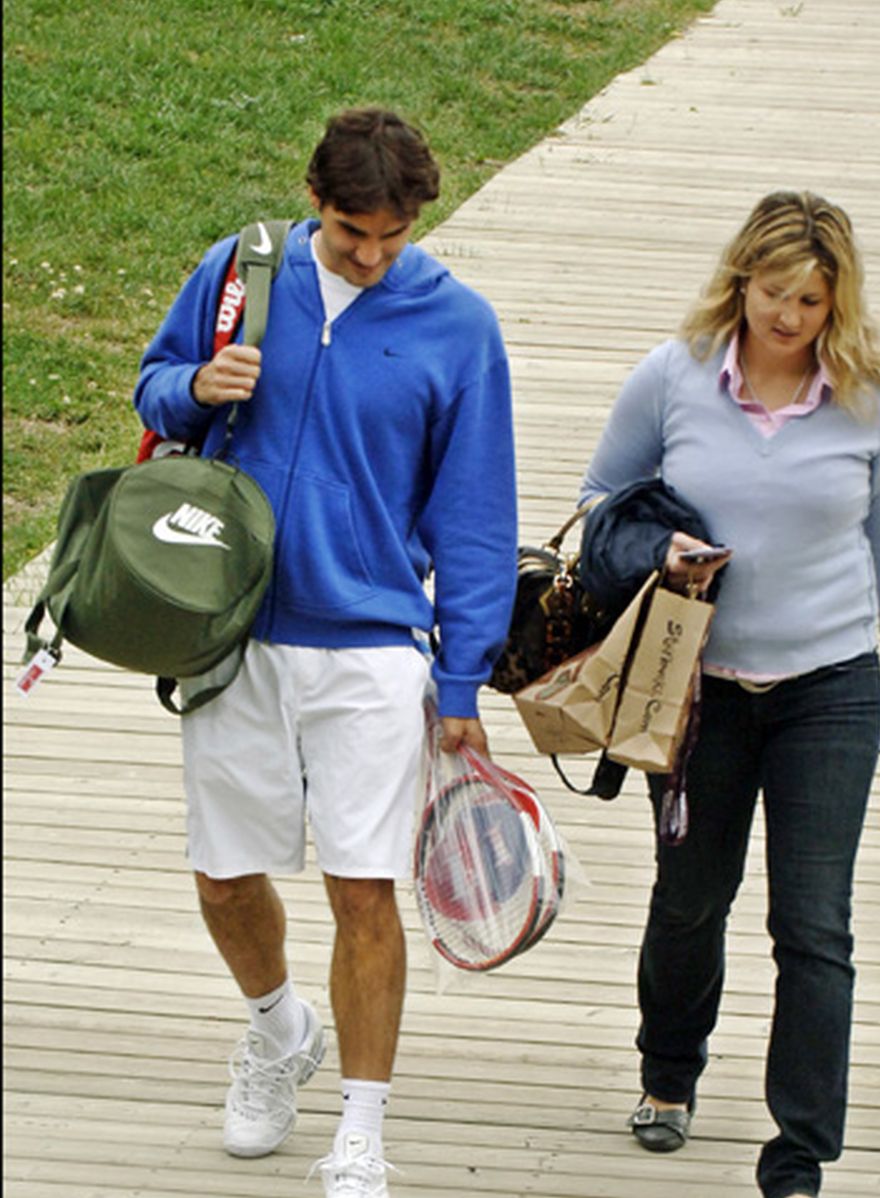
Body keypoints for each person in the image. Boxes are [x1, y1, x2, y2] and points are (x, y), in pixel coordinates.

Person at [134, 107, 517, 1198]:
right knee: (221, 876)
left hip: (371, 649)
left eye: (393, 237)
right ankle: (276, 1029)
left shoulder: (457, 325)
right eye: (355, 233)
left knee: (365, 891)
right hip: (232, 627)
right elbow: (154, 386)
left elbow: (478, 518)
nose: (373, 254)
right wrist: (194, 388)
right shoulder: (236, 271)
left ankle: (361, 1127)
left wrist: (461, 681)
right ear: (316, 202)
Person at [580, 191, 880, 1198]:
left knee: (813, 922)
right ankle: (668, 1074)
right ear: (740, 278)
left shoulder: (877, 399)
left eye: (813, 302)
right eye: (775, 293)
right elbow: (596, 501)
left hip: (827, 685)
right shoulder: (674, 376)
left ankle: (799, 1148)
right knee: (692, 898)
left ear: (838, 306)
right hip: (695, 689)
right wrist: (661, 548)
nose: (789, 317)